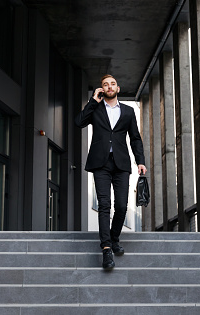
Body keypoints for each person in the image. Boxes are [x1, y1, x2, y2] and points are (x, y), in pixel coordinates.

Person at [75, 74, 147, 270]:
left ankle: (114, 238)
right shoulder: (95, 108)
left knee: (122, 206)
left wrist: (140, 161)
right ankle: (106, 248)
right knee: (104, 205)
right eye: (105, 85)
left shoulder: (128, 111)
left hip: (122, 164)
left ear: (118, 87)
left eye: (112, 83)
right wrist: (92, 101)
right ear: (101, 89)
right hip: (101, 164)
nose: (109, 86)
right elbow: (78, 122)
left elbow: (135, 138)